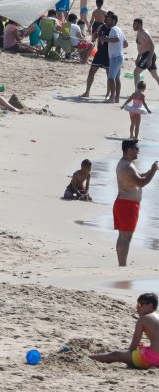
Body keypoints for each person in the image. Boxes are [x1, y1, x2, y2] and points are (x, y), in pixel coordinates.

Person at [114, 138, 158, 266]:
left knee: (123, 236)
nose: (138, 151)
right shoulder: (126, 166)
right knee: (126, 237)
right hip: (127, 204)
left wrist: (152, 170)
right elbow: (141, 182)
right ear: (129, 150)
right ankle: (122, 265)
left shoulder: (127, 164)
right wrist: (154, 171)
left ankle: (121, 264)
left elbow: (140, 176)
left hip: (125, 203)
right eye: (136, 149)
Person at [91, 292, 159, 369]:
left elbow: (133, 347)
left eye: (140, 305)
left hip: (152, 359)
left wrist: (127, 356)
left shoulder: (143, 319)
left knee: (116, 354)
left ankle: (87, 358)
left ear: (150, 306)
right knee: (143, 348)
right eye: (137, 305)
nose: (137, 308)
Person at [106, 12, 128, 104]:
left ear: (114, 21)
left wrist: (106, 39)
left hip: (115, 57)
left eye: (109, 20)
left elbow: (117, 39)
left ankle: (112, 99)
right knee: (117, 78)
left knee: (111, 78)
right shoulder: (119, 29)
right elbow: (126, 44)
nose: (107, 21)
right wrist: (119, 48)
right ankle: (117, 98)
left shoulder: (114, 29)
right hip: (119, 56)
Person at [133, 18, 159, 87]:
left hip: (148, 55)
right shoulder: (139, 32)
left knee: (136, 72)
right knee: (155, 75)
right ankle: (137, 92)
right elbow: (141, 47)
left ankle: (136, 92)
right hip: (144, 55)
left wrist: (149, 59)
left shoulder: (145, 33)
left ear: (140, 25)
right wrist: (138, 58)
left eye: (135, 24)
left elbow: (152, 46)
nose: (133, 26)